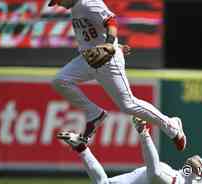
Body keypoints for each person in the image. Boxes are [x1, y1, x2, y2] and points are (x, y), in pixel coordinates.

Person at [48, 0, 186, 151]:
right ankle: (94, 113)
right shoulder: (75, 8)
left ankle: (171, 126)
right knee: (60, 81)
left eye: (59, 1)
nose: (59, 4)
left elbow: (111, 20)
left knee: (128, 104)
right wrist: (115, 44)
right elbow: (96, 33)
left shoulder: (88, 3)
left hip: (108, 60)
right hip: (88, 58)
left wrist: (110, 44)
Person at [57, 116, 202, 184]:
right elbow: (193, 160)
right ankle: (143, 130)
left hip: (147, 180)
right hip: (166, 175)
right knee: (155, 174)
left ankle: (80, 146)